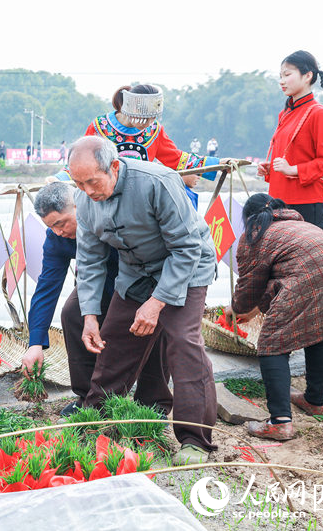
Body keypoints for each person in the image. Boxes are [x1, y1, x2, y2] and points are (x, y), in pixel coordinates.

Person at [70, 135, 218, 466]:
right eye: (79, 184)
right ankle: (95, 420)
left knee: (183, 342)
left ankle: (195, 439)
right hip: (136, 270)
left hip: (186, 266)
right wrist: (90, 316)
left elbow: (187, 248)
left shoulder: (157, 182)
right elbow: (91, 261)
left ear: (114, 167)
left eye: (93, 181)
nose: (88, 191)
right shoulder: (84, 201)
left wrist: (157, 302)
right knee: (115, 340)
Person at [226, 194, 323, 440]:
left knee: (272, 344)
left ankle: (279, 422)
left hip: (317, 277)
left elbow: (248, 288)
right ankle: (314, 401)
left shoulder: (255, 236)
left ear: (250, 219)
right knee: (317, 329)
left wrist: (237, 307)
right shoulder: (300, 225)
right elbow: (278, 276)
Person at [21, 181, 171, 417]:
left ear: (78, 206)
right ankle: (88, 397)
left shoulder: (108, 216)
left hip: (140, 277)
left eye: (61, 223)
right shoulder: (57, 238)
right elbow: (47, 287)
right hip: (95, 283)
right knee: (72, 313)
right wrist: (35, 343)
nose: (59, 231)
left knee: (149, 323)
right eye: (52, 227)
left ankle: (154, 402)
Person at [85, 84, 227, 210]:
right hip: (104, 199)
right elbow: (83, 159)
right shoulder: (99, 127)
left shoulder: (154, 130)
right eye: (144, 117)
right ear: (131, 107)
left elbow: (176, 158)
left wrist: (217, 164)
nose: (148, 123)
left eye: (152, 118)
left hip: (142, 196)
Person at [257, 50, 323, 229]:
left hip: (305, 204)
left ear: (307, 76)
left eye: (287, 75)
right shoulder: (284, 114)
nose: (282, 81)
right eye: (280, 76)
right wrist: (270, 170)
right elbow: (292, 155)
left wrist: (293, 169)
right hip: (278, 201)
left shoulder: (319, 113)